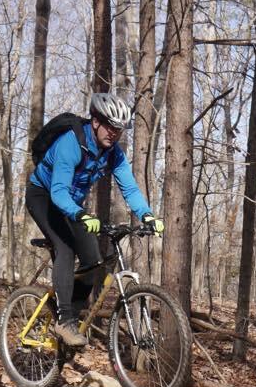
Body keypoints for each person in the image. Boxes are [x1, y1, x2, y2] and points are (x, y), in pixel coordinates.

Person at [26, 92, 164, 348]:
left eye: (119, 129)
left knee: (92, 261)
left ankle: (67, 318)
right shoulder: (71, 144)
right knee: (65, 249)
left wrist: (147, 214)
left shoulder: (114, 154)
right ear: (96, 121)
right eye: (110, 126)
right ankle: (64, 322)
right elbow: (57, 192)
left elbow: (130, 189)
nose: (114, 133)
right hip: (43, 196)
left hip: (70, 204)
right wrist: (81, 214)